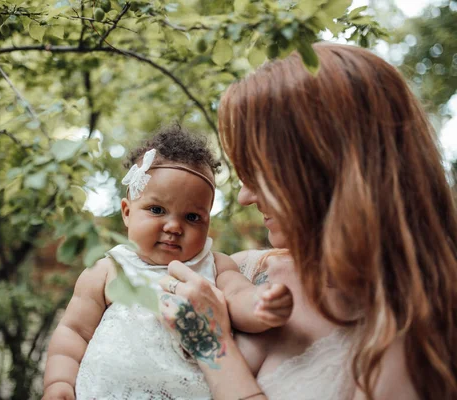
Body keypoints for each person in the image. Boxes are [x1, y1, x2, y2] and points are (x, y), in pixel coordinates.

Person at [158, 42, 457, 400]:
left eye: (260, 175)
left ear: (324, 170)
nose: (245, 197)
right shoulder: (241, 273)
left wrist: (212, 349)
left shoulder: (415, 335)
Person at [42, 125, 293, 399]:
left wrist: (261, 304)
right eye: (157, 210)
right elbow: (73, 332)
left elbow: (238, 297)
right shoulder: (109, 270)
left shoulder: (216, 267)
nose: (174, 226)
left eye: (192, 217)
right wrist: (59, 384)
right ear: (127, 212)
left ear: (208, 222)